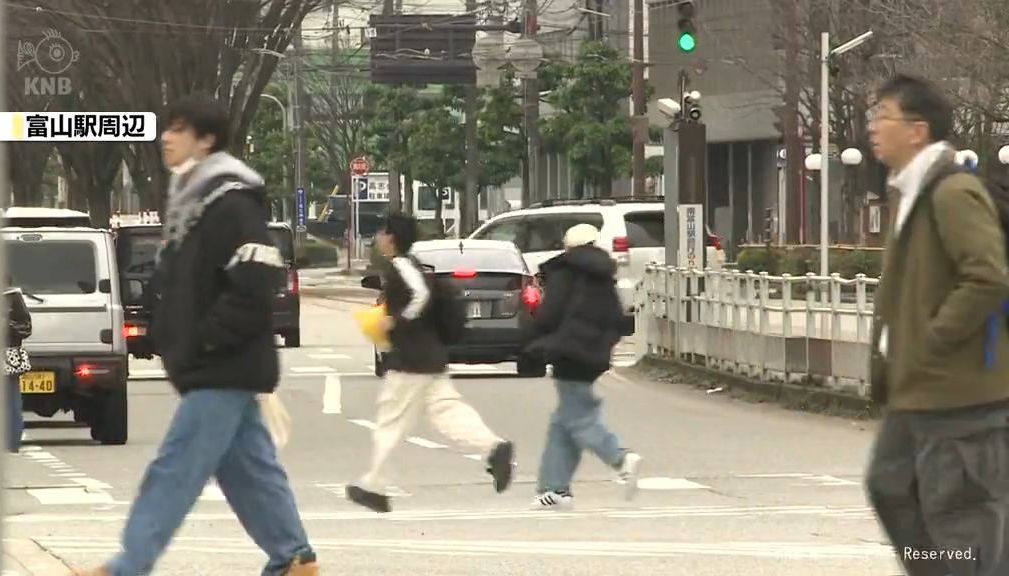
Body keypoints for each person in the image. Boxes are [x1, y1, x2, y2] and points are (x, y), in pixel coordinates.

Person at [75, 96, 318, 576]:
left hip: (222, 364)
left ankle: (129, 565)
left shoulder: (230, 201)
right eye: (167, 128)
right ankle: (293, 558)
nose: (166, 137)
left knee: (174, 468)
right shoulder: (191, 202)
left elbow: (259, 274)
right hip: (212, 362)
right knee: (248, 470)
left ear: (206, 140)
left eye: (179, 129)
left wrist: (207, 338)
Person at [865, 74, 1009, 576]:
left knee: (959, 517)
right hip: (918, 392)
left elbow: (987, 278)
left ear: (918, 130)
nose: (872, 127)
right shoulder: (909, 193)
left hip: (960, 396)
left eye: (883, 115)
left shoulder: (951, 192)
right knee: (890, 485)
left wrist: (934, 340)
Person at [345, 213, 515, 514]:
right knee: (448, 411)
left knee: (390, 421)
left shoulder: (400, 265)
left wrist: (395, 320)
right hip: (430, 357)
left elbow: (420, 295)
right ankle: (493, 447)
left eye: (382, 233)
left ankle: (375, 486)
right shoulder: (414, 265)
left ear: (392, 237)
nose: (378, 239)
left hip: (410, 360)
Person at [525, 223, 641, 509]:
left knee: (578, 420)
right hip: (594, 356)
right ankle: (555, 490)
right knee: (562, 423)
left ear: (569, 246)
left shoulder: (565, 272)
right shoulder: (604, 276)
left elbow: (549, 316)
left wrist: (535, 333)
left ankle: (620, 458)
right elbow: (618, 319)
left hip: (568, 353)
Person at [3, 273, 32, 453]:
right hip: (8, 356)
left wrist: (6, 325)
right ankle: (10, 442)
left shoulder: (12, 297)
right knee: (11, 399)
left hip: (5, 355)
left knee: (11, 400)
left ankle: (11, 441)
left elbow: (25, 327)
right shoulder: (13, 297)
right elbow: (26, 327)